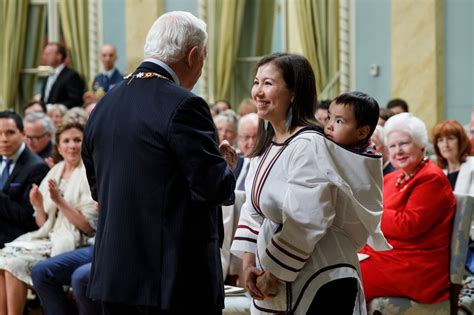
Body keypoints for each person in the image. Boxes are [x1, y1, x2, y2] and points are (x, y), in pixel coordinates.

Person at [82, 11, 237, 314]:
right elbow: (212, 188)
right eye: (204, 59)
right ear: (193, 55)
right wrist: (225, 166)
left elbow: (99, 190)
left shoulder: (104, 105)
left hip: (115, 274)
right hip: (171, 279)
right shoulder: (184, 105)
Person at [230, 53, 390, 314]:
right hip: (279, 270)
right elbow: (252, 207)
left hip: (320, 277)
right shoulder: (268, 142)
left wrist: (275, 273)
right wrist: (248, 263)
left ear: (294, 93)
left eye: (268, 83)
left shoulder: (309, 144)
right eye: (256, 82)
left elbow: (307, 218)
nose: (258, 91)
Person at [0, 119, 97, 315]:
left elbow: (88, 228)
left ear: (85, 143)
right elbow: (43, 224)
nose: (72, 146)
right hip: (51, 236)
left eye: (77, 140)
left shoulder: (90, 172)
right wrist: (38, 205)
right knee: (2, 259)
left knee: (13, 263)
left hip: (80, 240)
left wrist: (60, 201)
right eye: (66, 141)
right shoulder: (56, 170)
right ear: (59, 147)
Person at [359, 112, 456, 304]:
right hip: (391, 255)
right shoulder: (393, 177)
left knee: (345, 275)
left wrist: (367, 213)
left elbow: (408, 225)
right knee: (336, 262)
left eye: (404, 143)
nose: (398, 151)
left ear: (421, 144)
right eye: (392, 146)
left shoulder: (431, 178)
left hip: (416, 268)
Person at [0, 111, 50, 247]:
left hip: (15, 236)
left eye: (10, 132)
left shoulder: (37, 167)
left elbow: (29, 218)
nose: (4, 139)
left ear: (23, 134)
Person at [432, 120, 473, 194]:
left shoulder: (472, 167)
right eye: (441, 140)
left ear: (461, 142)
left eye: (450, 138)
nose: (445, 145)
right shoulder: (437, 172)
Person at [40, 43, 85, 108]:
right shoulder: (49, 75)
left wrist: (55, 107)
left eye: (47, 54)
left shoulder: (71, 75)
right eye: (44, 54)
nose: (43, 56)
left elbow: (75, 100)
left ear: (59, 56)